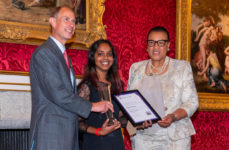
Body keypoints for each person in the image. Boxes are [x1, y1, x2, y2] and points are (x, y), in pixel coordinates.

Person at [29, 6, 113, 150]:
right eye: (66, 19)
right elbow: (58, 94)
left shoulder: (63, 55)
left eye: (74, 21)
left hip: (67, 133)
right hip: (51, 134)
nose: (71, 24)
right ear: (52, 22)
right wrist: (93, 106)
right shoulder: (44, 53)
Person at [127, 26, 199, 150]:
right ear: (147, 46)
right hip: (143, 137)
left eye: (161, 43)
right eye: (151, 42)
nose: (155, 47)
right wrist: (138, 119)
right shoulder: (136, 68)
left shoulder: (182, 68)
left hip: (175, 138)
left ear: (168, 45)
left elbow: (192, 102)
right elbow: (130, 101)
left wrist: (173, 116)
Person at [77, 39, 127, 150]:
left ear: (113, 58)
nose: (105, 58)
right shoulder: (86, 87)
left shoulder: (118, 85)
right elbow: (77, 122)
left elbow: (121, 118)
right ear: (93, 58)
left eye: (109, 54)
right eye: (100, 54)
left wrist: (139, 121)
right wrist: (100, 131)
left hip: (116, 142)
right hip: (95, 142)